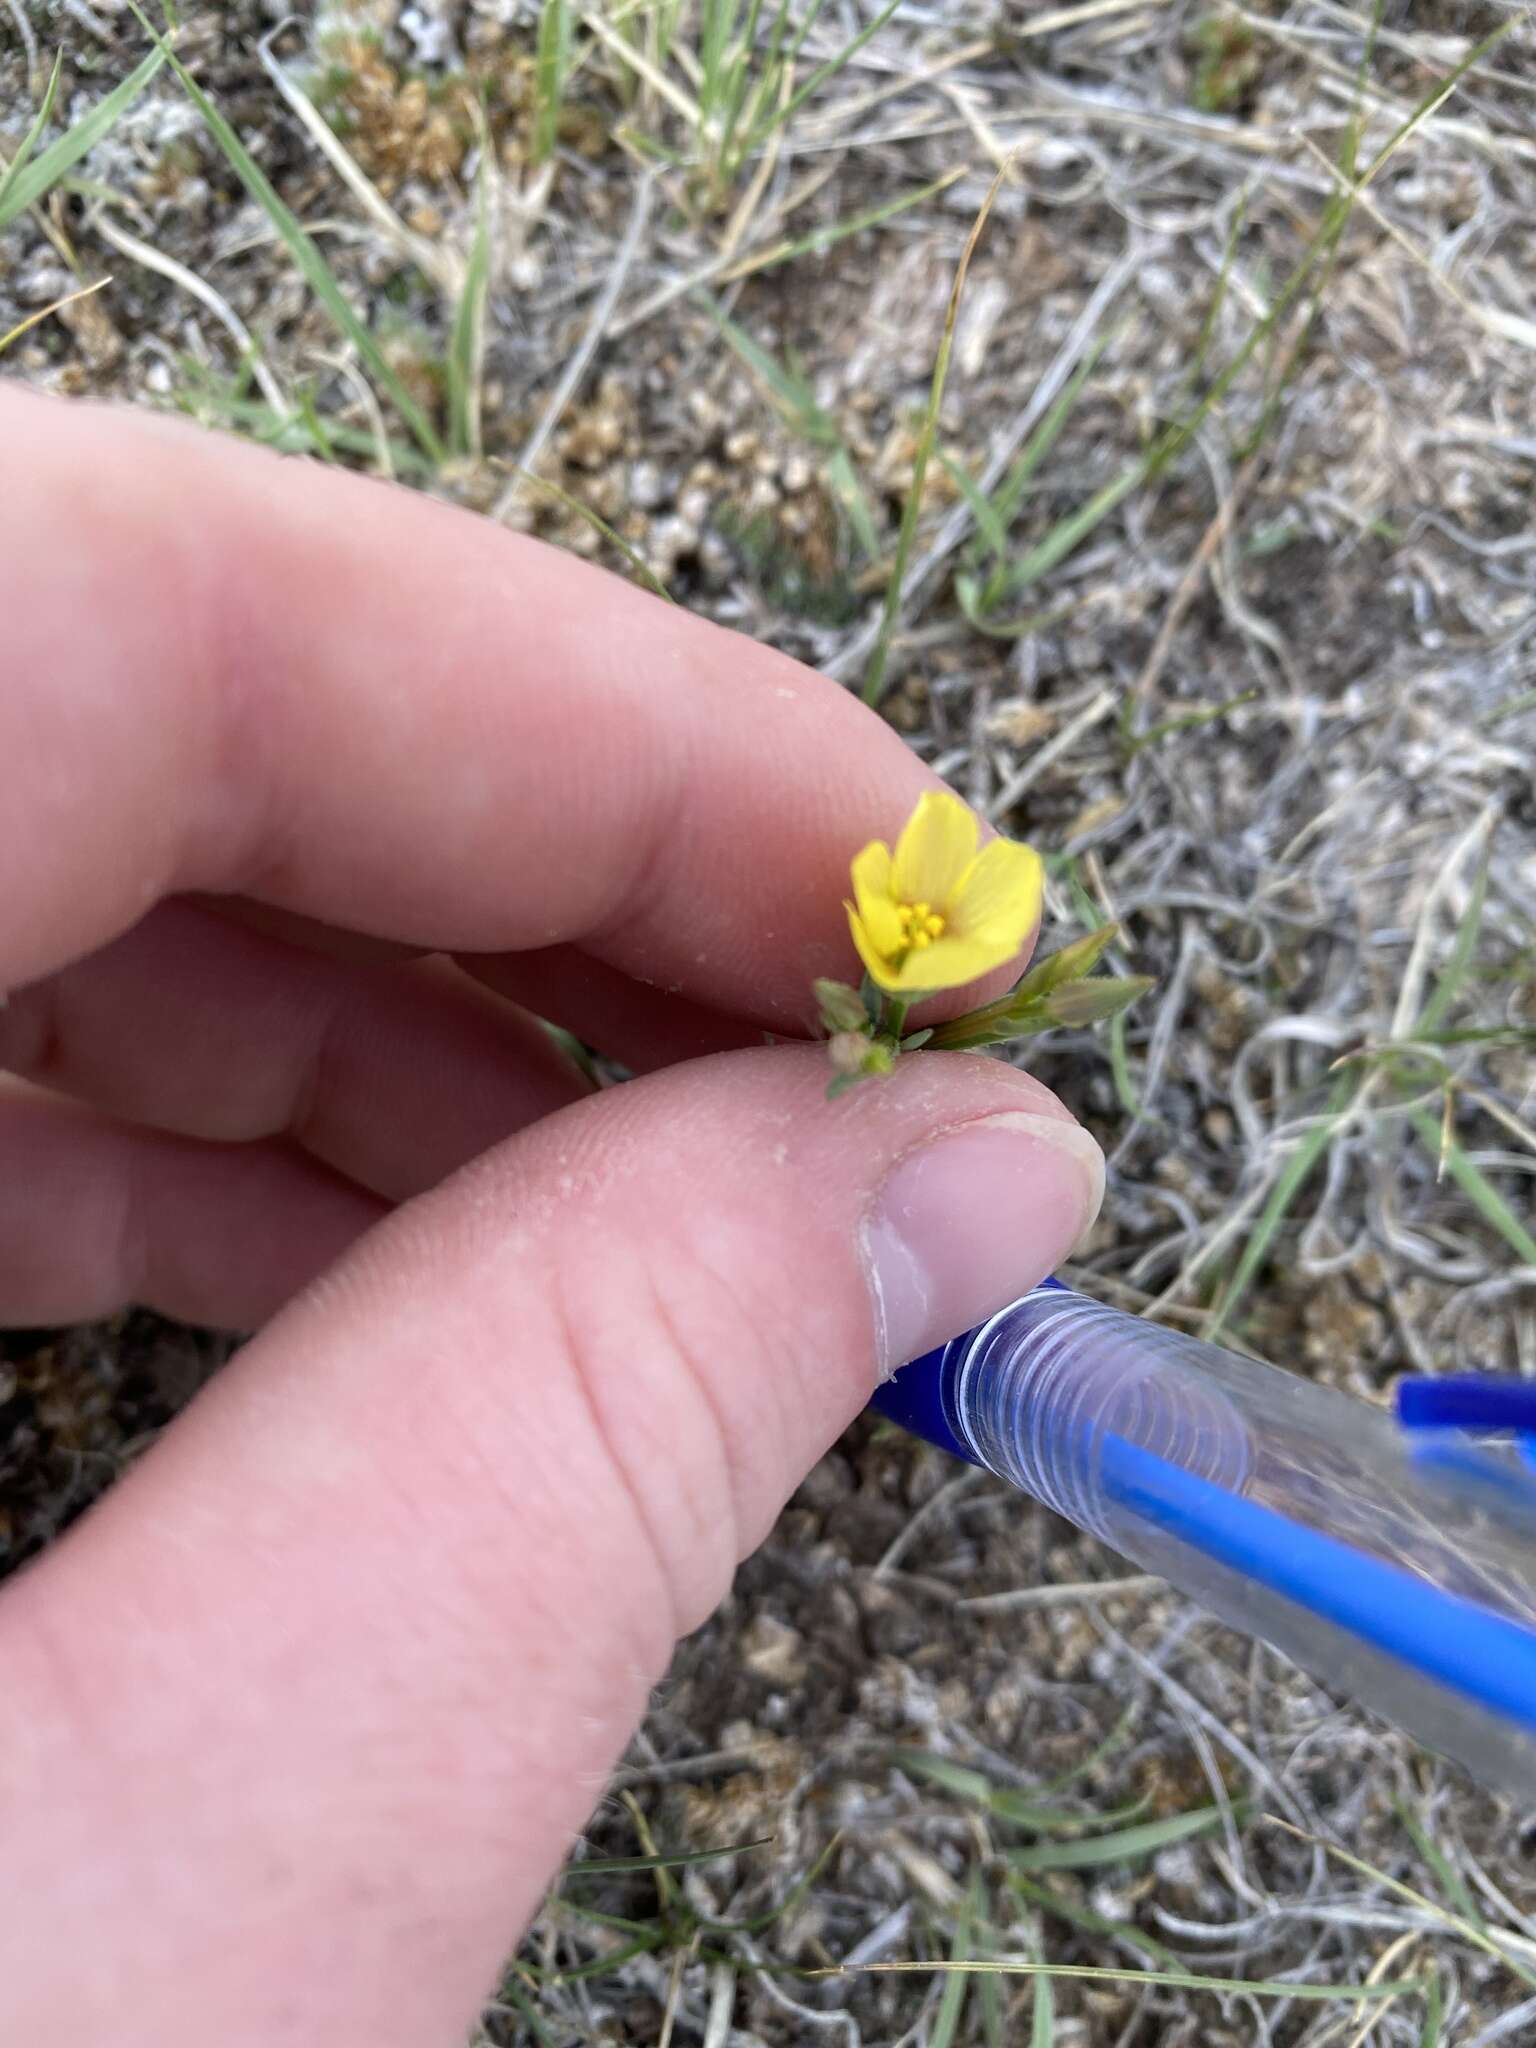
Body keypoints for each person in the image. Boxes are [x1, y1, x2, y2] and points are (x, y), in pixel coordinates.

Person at [0, 384, 1103, 2044]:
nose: (917, 912)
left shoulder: (920, 928)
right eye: (909, 921)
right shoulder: (881, 932)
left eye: (926, 925)